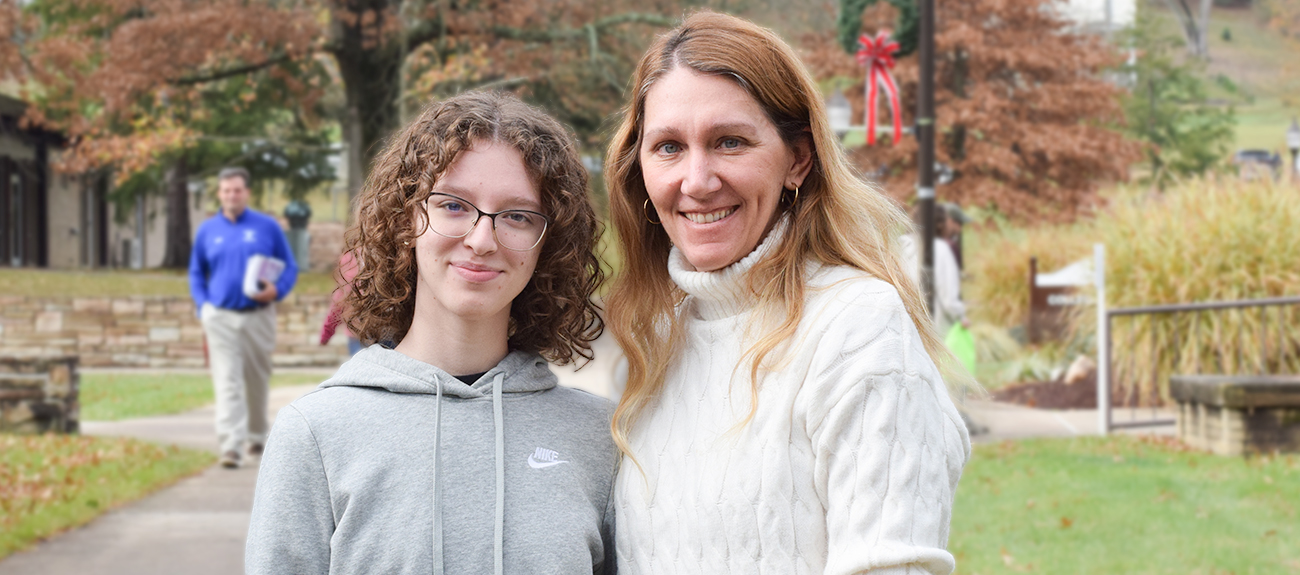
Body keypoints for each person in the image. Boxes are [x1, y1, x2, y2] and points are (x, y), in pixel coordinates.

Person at [604, 11, 971, 574]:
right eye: (669, 147)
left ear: (797, 158)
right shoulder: (647, 344)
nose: (697, 181)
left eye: (730, 142)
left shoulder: (857, 327)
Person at [246, 91, 616, 574]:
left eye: (518, 216)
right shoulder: (315, 433)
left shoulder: (600, 439)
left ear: (549, 246)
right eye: (453, 206)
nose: (482, 240)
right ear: (407, 220)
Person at [188, 166, 297, 469]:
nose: (231, 195)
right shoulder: (207, 230)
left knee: (256, 379)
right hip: (220, 317)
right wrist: (203, 306)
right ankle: (231, 445)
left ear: (246, 193)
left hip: (259, 316)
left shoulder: (267, 227)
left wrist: (277, 291)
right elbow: (196, 271)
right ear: (219, 194)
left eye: (236, 190)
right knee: (227, 380)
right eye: (225, 191)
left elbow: (289, 266)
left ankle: (256, 435)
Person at [899, 205, 968, 337]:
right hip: (935, 329)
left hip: (905, 325)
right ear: (940, 224)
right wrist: (961, 317)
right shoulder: (941, 249)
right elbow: (949, 298)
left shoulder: (901, 245)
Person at [319, 250, 363, 355]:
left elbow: (340, 300)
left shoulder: (350, 258)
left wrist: (325, 335)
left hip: (357, 329)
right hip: (383, 330)